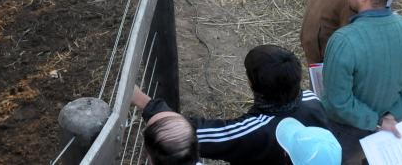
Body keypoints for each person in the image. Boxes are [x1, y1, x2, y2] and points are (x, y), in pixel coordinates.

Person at [133, 44, 329, 163]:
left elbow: (186, 134)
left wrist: (141, 99)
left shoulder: (254, 131)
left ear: (253, 85)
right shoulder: (314, 102)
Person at [322, 0, 402, 164]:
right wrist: (390, 115)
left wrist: (376, 121)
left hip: (345, 133)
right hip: (390, 129)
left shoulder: (344, 41)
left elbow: (339, 102)